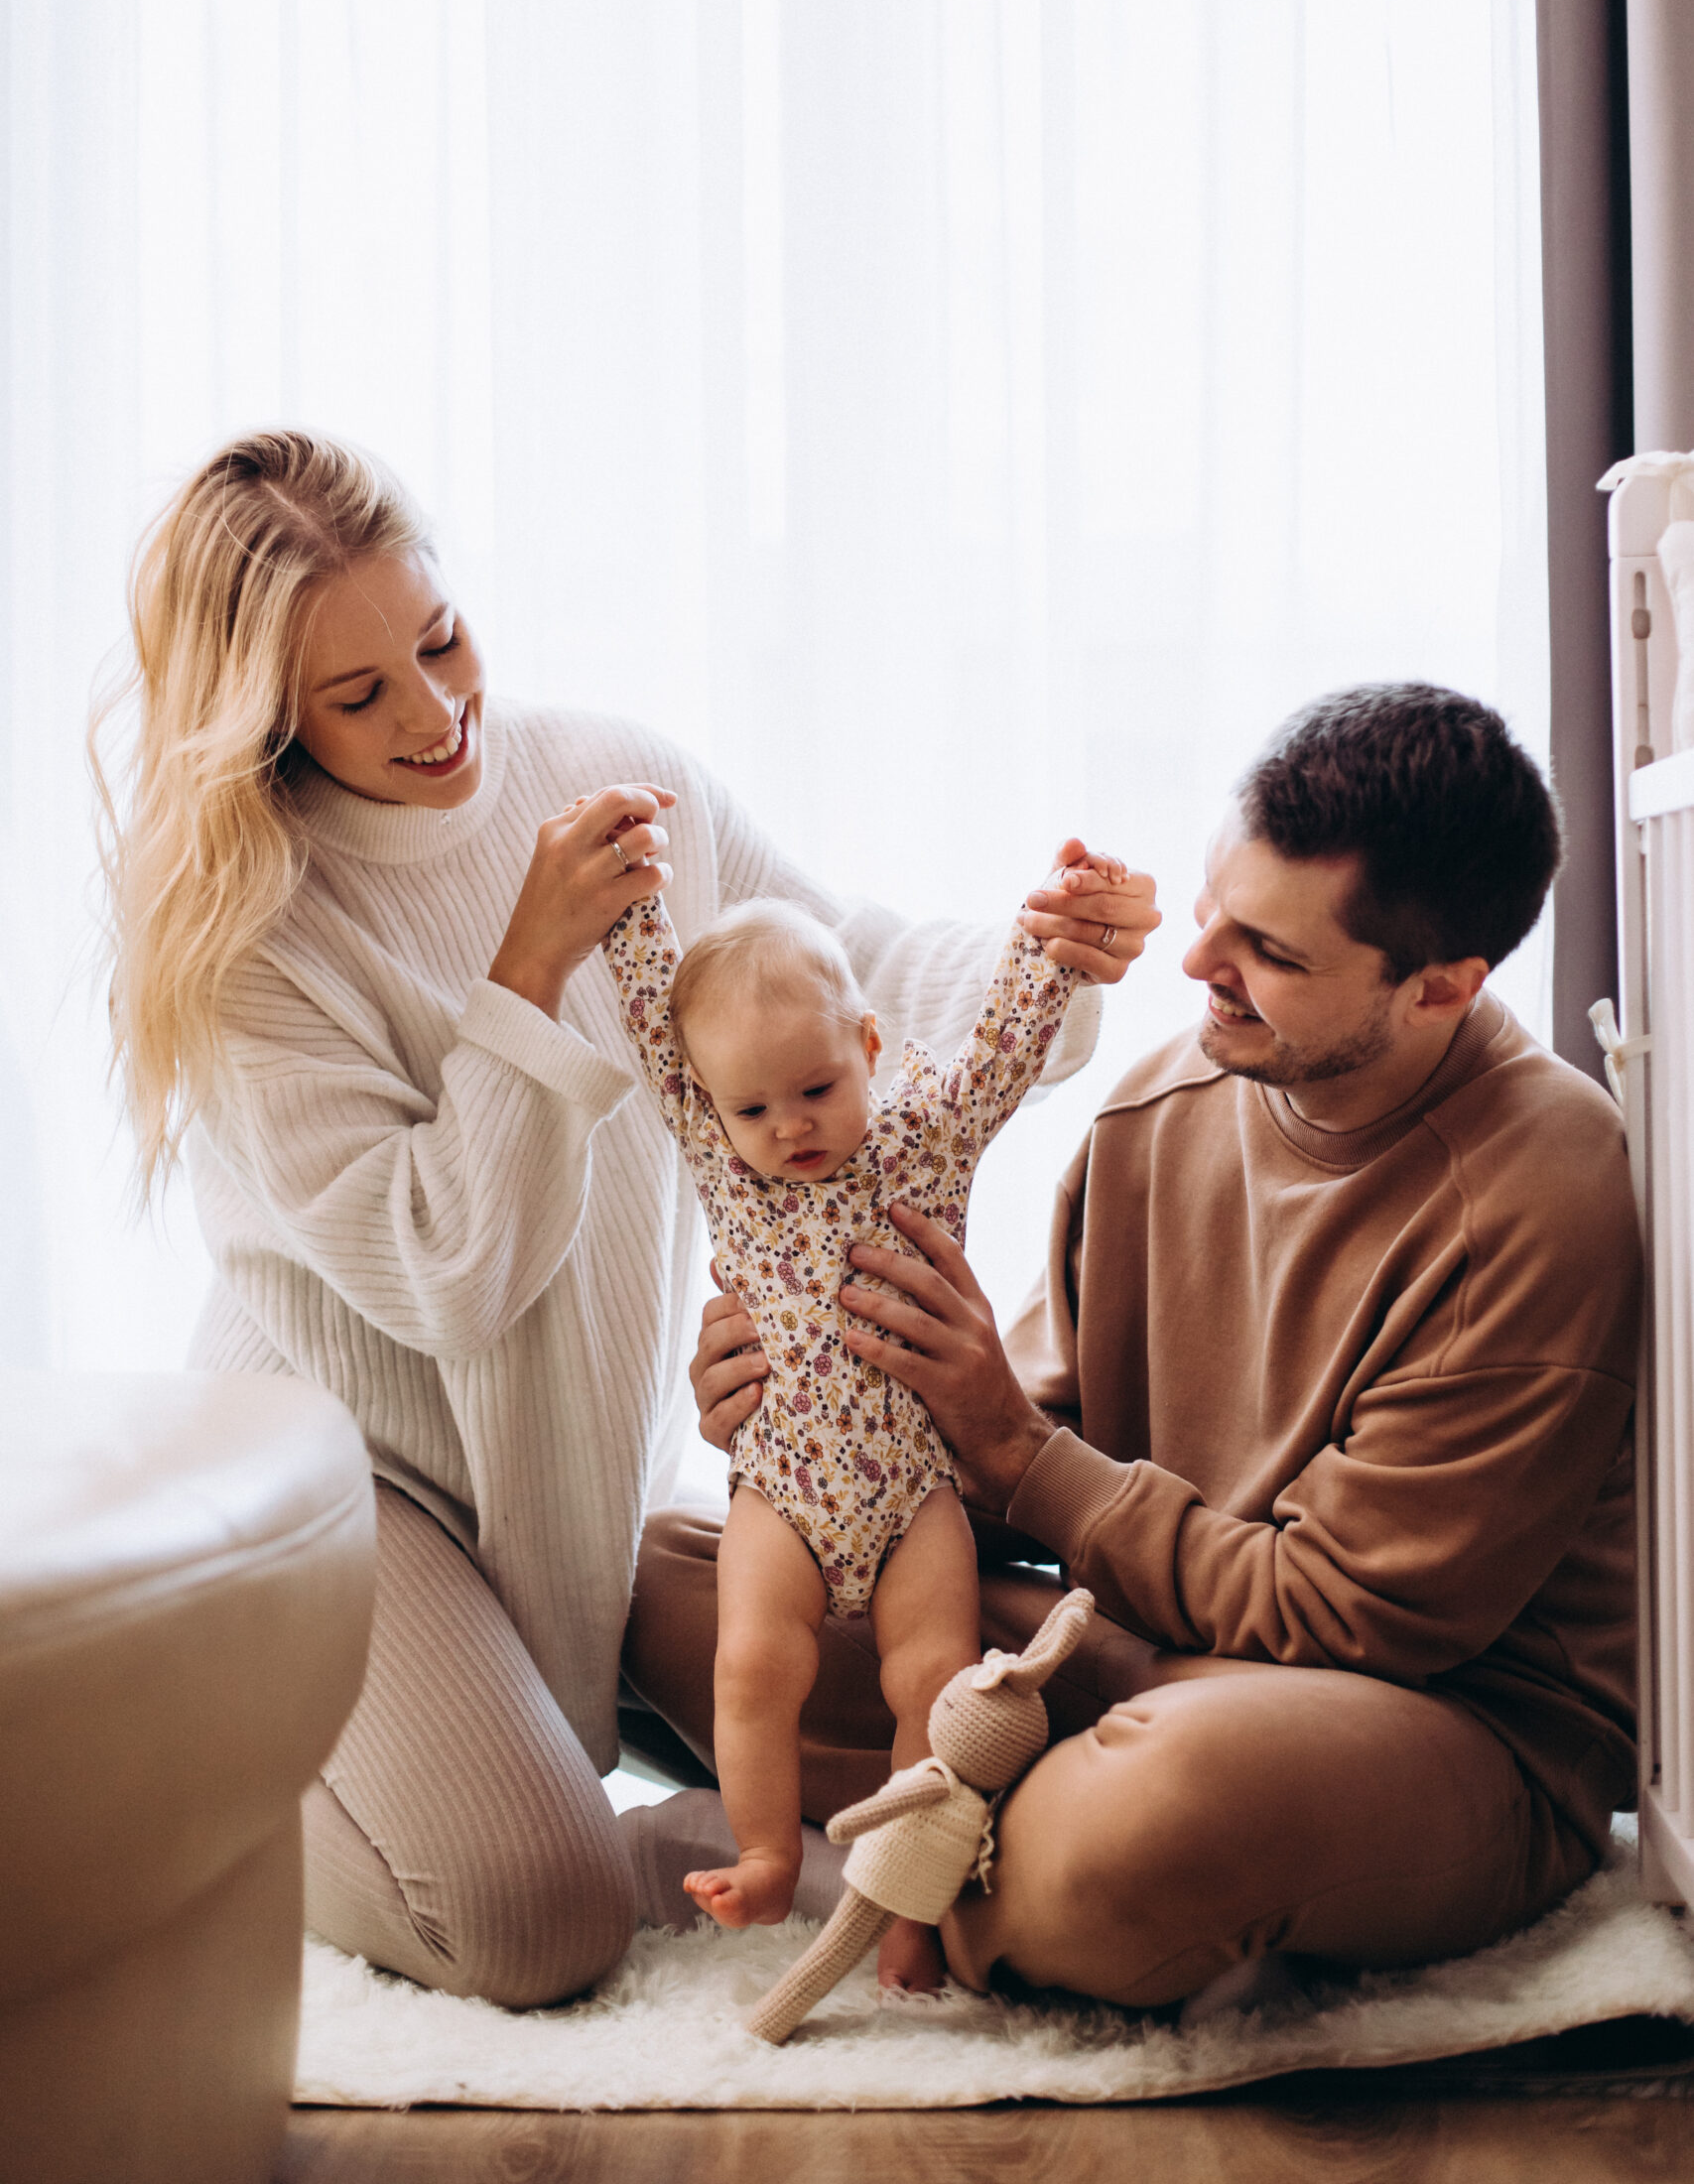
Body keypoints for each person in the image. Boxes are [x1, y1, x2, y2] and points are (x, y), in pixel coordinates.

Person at [89, 428, 1156, 2007]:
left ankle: (569, 1755)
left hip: (564, 1475)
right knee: (537, 1922)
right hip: (333, 1481)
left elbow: (839, 978)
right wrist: (523, 972)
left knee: (960, 1697)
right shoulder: (251, 933)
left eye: (440, 638)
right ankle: (208, 1763)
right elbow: (448, 1277)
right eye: (359, 695)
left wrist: (1043, 955)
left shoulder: (606, 776)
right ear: (265, 720)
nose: (434, 712)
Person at [625, 684, 1641, 2007]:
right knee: (661, 1580)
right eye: (1214, 901)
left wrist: (1006, 1442)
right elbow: (1024, 1450)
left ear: (1438, 988)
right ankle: (950, 1838)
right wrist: (816, 1410)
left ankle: (951, 1858)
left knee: (1146, 1820)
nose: (1197, 957)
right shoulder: (1166, 1100)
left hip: (1421, 1719)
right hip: (1129, 1644)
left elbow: (1340, 1614)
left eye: (1267, 950)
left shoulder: (1537, 1191)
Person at [600, 866, 1113, 1986]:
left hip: (914, 1494)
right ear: (711, 1103)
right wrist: (629, 901)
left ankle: (906, 1905)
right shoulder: (721, 1157)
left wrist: (1049, 946)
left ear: (870, 1046)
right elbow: (651, 1014)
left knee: (934, 1679)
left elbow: (1004, 1050)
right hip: (778, 1494)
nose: (788, 1126)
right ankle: (768, 1856)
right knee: (753, 1665)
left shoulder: (925, 1137)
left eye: (816, 1088)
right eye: (752, 1108)